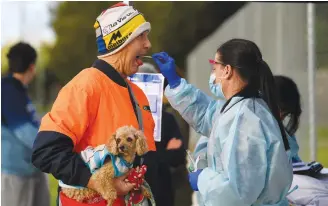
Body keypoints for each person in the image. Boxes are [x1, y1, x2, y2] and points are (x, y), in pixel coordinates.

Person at [31, 3, 158, 206]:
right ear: (121, 41)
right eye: (141, 36)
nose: (148, 45)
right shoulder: (85, 86)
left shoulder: (137, 93)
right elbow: (46, 152)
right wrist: (98, 183)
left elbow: (146, 156)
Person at [151, 39, 294, 206]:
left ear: (227, 71)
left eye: (214, 68)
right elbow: (206, 114)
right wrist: (175, 83)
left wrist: (202, 179)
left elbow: (238, 191)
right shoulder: (244, 108)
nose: (213, 75)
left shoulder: (245, 121)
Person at [1, 42, 50, 206]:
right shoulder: (8, 90)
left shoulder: (17, 90)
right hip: (17, 174)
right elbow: (26, 133)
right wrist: (54, 146)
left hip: (31, 170)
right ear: (32, 67)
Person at [138, 63, 192, 206]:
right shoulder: (126, 121)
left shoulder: (167, 119)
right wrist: (163, 152)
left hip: (164, 192)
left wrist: (153, 156)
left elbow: (179, 154)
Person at [274, 75, 328, 206]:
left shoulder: (284, 132)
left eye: (286, 113)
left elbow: (295, 162)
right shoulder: (255, 128)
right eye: (280, 109)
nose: (281, 116)